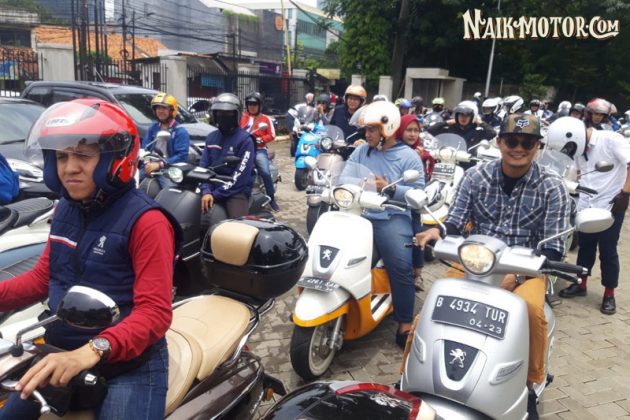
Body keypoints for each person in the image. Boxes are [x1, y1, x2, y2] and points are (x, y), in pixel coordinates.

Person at [0, 99, 181, 419]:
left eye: (83, 155)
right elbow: (44, 279)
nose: (69, 168)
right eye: (61, 156)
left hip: (129, 363)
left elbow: (154, 313)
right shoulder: (66, 209)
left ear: (116, 159)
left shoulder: (147, 222)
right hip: (63, 352)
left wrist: (93, 350)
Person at [416, 113, 570, 419]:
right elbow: (455, 222)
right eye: (512, 141)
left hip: (527, 269)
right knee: (432, 306)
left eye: (527, 143)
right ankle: (409, 377)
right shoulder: (475, 176)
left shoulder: (553, 187)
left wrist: (518, 274)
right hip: (477, 262)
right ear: (499, 142)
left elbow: (554, 248)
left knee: (532, 312)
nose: (519, 148)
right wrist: (437, 231)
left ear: (537, 147)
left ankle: (530, 385)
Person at [342, 101, 425, 348]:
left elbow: (418, 193)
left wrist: (390, 189)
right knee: (340, 256)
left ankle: (405, 323)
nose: (366, 134)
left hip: (392, 216)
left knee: (400, 265)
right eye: (366, 129)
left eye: (372, 130)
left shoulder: (408, 157)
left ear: (387, 129)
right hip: (360, 212)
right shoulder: (361, 151)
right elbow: (345, 176)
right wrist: (364, 183)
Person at [547, 117, 630, 315]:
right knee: (585, 247)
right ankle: (581, 283)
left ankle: (609, 294)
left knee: (608, 250)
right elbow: (576, 171)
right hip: (586, 204)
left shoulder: (610, 140)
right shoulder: (577, 148)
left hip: (611, 204)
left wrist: (626, 193)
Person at [200, 93, 255, 231]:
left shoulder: (245, 140)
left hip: (235, 191)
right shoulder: (211, 138)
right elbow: (203, 168)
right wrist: (206, 191)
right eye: (219, 113)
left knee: (237, 230)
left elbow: (240, 177)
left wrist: (216, 194)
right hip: (212, 186)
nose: (223, 116)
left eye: (228, 113)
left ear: (236, 115)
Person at [396, 114, 433, 291]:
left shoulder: (420, 152)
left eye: (416, 131)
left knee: (417, 234)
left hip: (411, 202)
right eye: (408, 130)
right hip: (390, 200)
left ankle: (418, 275)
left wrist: (421, 159)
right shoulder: (391, 148)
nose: (412, 134)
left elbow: (425, 178)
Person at [140, 92, 190, 193]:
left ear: (172, 110)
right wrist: (147, 164)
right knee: (131, 183)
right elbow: (145, 148)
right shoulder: (153, 128)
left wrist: (160, 164)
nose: (160, 111)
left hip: (169, 169)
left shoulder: (180, 131)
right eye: (158, 108)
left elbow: (182, 156)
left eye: (164, 108)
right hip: (151, 165)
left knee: (169, 192)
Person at [240, 91, 280, 212]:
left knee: (265, 173)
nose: (252, 106)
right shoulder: (242, 117)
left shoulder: (265, 119)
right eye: (250, 104)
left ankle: (271, 198)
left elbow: (272, 135)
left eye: (254, 104)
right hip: (243, 149)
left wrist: (261, 139)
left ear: (259, 105)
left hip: (258, 149)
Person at [427, 100, 496, 152]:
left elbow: (492, 133)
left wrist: (480, 122)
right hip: (449, 160)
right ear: (456, 116)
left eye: (467, 115)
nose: (463, 118)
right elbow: (430, 130)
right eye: (461, 115)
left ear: (473, 117)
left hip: (469, 163)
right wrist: (446, 122)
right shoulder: (450, 129)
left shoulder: (477, 132)